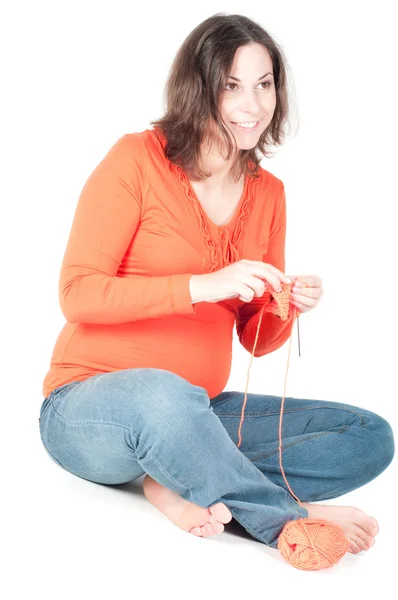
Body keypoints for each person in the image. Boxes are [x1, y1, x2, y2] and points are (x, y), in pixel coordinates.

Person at [39, 13, 394, 554]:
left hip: (199, 413)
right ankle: (286, 516)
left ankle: (179, 477)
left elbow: (255, 340)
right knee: (164, 396)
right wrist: (204, 285)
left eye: (264, 84)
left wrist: (285, 303)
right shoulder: (135, 159)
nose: (252, 105)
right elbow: (77, 294)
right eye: (232, 86)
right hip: (91, 410)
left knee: (369, 437)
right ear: (199, 87)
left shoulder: (269, 193)